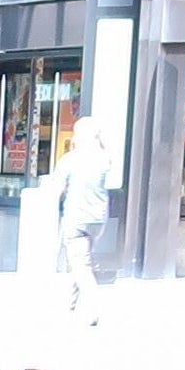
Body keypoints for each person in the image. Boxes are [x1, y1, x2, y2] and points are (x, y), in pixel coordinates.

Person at [53, 118, 114, 323]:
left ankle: (93, 308)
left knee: (81, 265)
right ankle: (68, 304)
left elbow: (56, 189)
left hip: (76, 218)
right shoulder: (105, 158)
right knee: (80, 261)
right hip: (98, 219)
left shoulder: (70, 160)